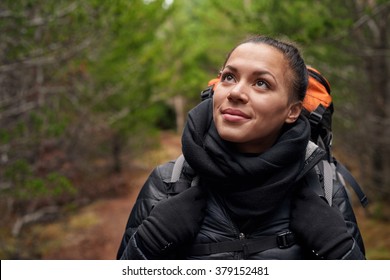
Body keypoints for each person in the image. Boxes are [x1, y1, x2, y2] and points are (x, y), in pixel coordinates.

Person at [116, 35, 366, 260]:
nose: (235, 92)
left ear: (292, 111)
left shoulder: (322, 187)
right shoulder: (167, 182)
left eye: (261, 84)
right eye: (229, 77)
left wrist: (340, 251)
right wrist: (148, 243)